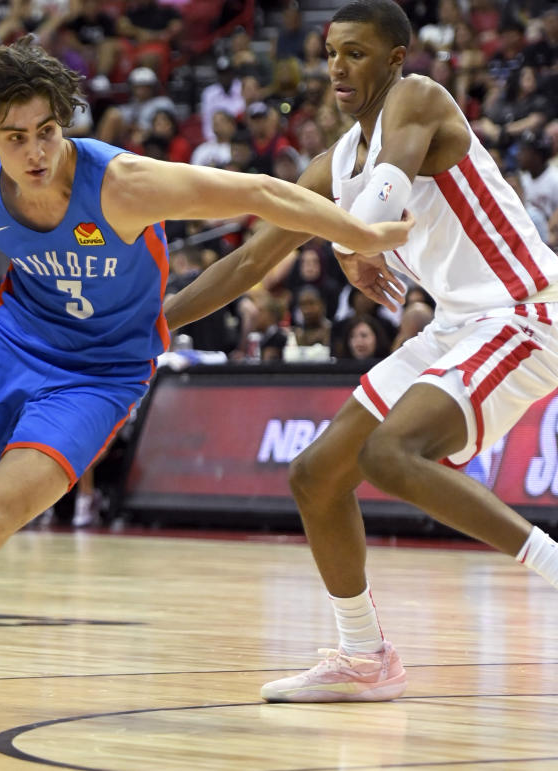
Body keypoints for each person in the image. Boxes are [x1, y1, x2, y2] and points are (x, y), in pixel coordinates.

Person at [0, 36, 410, 733]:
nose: (36, 152)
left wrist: (357, 233)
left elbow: (260, 191)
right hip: (9, 341)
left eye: (48, 132)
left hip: (101, 373)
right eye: (16, 138)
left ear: (66, 122)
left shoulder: (122, 184)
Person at [163, 0, 558, 704]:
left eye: (356, 52)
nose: (339, 67)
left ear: (396, 57)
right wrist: (152, 325)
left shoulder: (418, 99)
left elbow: (379, 208)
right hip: (457, 323)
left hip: (525, 310)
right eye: (331, 52)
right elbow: (247, 266)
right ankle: (363, 654)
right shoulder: (334, 163)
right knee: (317, 473)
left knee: (391, 453)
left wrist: (348, 247)